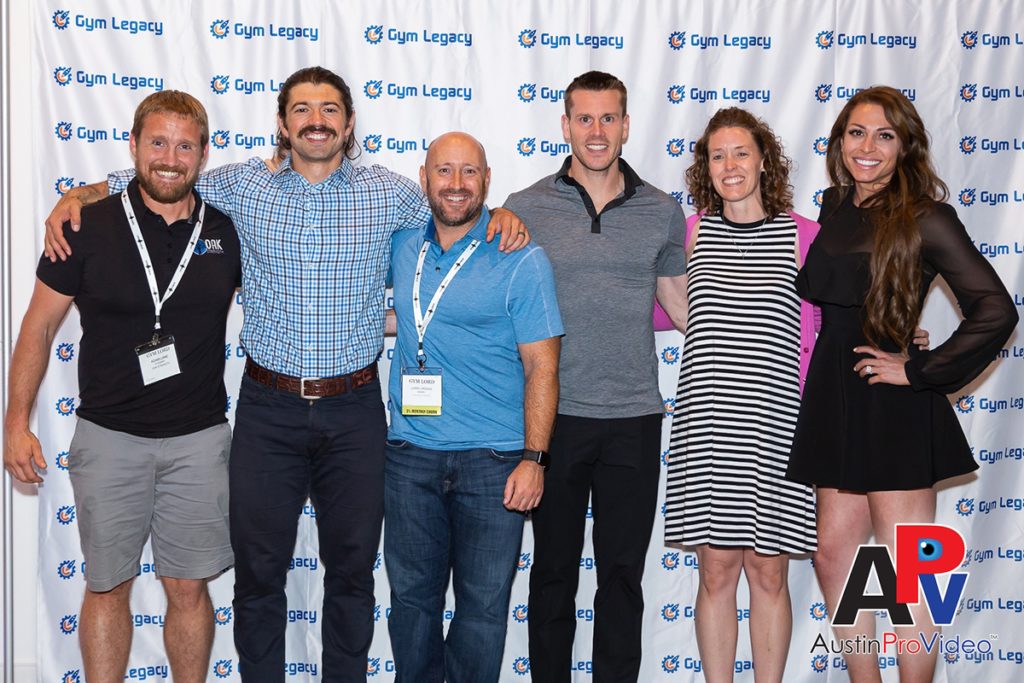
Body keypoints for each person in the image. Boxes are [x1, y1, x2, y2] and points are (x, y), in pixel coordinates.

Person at [42, 67, 528, 683]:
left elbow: (455, 206)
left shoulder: (390, 193)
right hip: (267, 410)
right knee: (259, 572)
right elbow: (156, 180)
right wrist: (75, 196)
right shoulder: (243, 186)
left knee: (352, 575)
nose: (316, 120)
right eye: (301, 109)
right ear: (282, 122)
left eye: (329, 109)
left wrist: (505, 215)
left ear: (349, 124)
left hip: (354, 410)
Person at [3, 91, 239, 683]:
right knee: (107, 584)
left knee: (188, 588)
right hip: (108, 439)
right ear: (132, 147)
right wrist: (14, 422)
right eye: (156, 142)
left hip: (198, 440)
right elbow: (37, 327)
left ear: (203, 155)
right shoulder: (85, 225)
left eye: (185, 146)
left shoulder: (228, 232)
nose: (169, 158)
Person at [786, 86, 1017, 682]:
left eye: (884, 136)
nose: (868, 147)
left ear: (904, 147)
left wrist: (917, 369)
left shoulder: (926, 216)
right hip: (834, 398)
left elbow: (995, 309)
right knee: (835, 557)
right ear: (839, 142)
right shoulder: (835, 204)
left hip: (892, 405)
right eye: (857, 133)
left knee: (908, 574)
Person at [503, 71, 689, 683]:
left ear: (627, 126)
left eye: (609, 118)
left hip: (634, 419)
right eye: (584, 118)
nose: (597, 131)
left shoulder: (663, 212)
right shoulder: (524, 208)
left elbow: (686, 308)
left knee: (621, 578)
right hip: (552, 418)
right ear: (564, 126)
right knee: (552, 573)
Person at [383, 132, 562, 682]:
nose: (456, 185)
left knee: (482, 611)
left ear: (486, 179)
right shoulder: (400, 245)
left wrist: (535, 458)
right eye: (444, 171)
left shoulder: (522, 257)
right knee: (412, 605)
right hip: (410, 455)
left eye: (469, 172)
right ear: (424, 178)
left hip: (493, 461)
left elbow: (543, 367)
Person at [662, 107, 818, 683]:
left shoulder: (803, 235)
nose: (730, 165)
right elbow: (659, 306)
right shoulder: (690, 232)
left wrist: (897, 333)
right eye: (717, 154)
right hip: (706, 429)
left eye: (741, 153)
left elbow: (834, 320)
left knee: (770, 575)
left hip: (777, 428)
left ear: (764, 160)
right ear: (706, 165)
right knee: (717, 573)